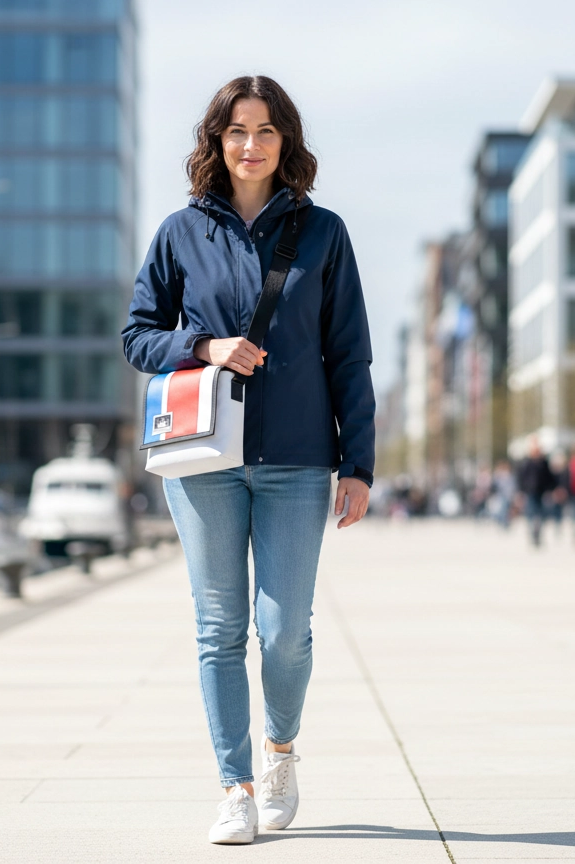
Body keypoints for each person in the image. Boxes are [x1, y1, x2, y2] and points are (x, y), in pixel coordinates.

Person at [122, 76, 375, 845]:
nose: (252, 144)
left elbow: (349, 355)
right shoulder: (179, 232)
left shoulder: (324, 232)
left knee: (284, 629)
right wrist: (202, 346)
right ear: (216, 141)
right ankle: (233, 786)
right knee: (218, 625)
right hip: (202, 457)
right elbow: (136, 336)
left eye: (266, 131)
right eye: (237, 130)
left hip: (298, 459)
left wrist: (358, 464)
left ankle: (281, 750)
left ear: (286, 141)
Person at [517, 437, 555, 547]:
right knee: (531, 513)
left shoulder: (543, 462)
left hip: (542, 492)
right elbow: (521, 477)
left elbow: (549, 477)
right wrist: (521, 490)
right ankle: (533, 533)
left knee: (540, 514)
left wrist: (551, 489)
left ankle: (538, 533)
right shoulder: (527, 462)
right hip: (530, 492)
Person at [548, 450, 569, 537]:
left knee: (559, 511)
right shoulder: (563, 470)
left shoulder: (562, 470)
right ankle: (557, 526)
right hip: (557, 493)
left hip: (560, 493)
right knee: (557, 511)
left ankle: (558, 526)